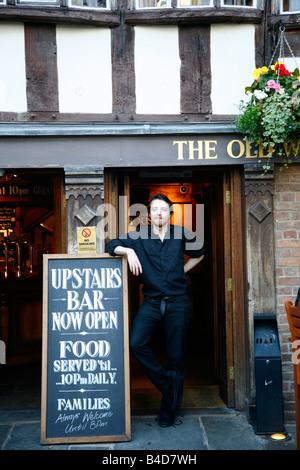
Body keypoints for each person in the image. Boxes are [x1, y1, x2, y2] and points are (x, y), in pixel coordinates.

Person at [105, 194, 204, 427]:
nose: (159, 213)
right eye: (154, 209)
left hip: (177, 301)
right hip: (150, 302)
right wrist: (128, 252)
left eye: (163, 209)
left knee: (175, 357)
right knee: (136, 343)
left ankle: (168, 408)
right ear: (149, 215)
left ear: (170, 213)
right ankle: (168, 383)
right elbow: (110, 245)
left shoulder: (181, 233)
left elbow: (199, 253)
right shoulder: (138, 236)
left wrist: (182, 270)